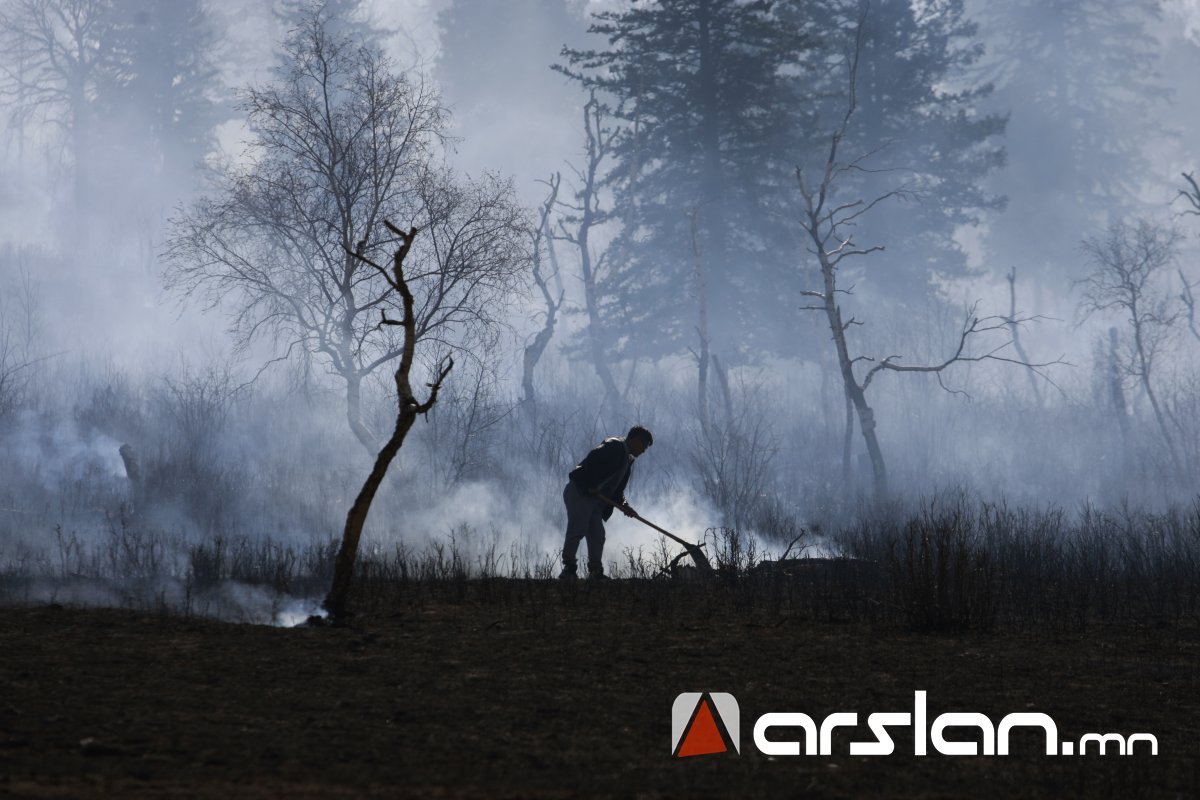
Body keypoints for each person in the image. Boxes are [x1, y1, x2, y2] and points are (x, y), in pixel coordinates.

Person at [559, 425, 653, 580]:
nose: (643, 451)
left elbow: (616, 492)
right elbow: (592, 461)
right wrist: (590, 484)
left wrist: (625, 506)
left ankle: (595, 572)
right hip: (580, 491)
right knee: (578, 529)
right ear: (636, 439)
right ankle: (569, 568)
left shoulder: (627, 462)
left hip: (594, 500)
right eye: (644, 445)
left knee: (597, 534)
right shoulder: (614, 445)